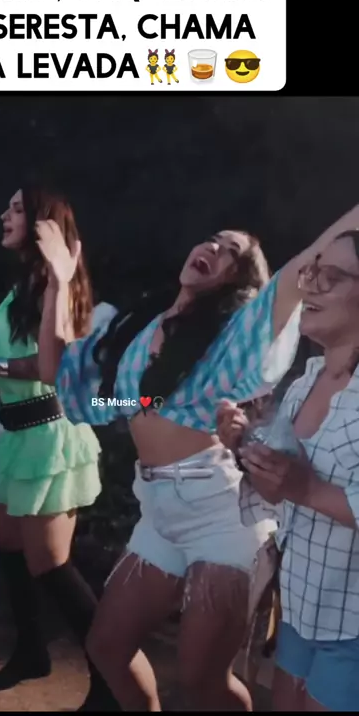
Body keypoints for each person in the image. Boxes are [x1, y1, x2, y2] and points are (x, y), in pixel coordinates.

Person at [35, 203, 359, 711]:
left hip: (219, 511)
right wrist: (59, 281)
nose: (214, 247)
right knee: (106, 646)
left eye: (232, 252)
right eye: (213, 238)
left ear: (240, 281)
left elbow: (306, 261)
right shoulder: (139, 327)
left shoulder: (236, 336)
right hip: (158, 508)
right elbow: (74, 382)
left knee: (201, 680)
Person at [0, 186, 121, 710]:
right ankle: (31, 653)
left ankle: (111, 680)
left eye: (16, 208)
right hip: (16, 434)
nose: (4, 215)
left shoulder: (61, 290)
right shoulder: (20, 291)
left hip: (49, 437)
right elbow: (5, 376)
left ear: (45, 224)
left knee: (51, 565)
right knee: (11, 548)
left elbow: (52, 370)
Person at [217, 228, 359, 713]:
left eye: (331, 276)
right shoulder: (305, 382)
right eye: (312, 272)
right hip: (301, 603)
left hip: (351, 624)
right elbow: (283, 491)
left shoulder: (266, 347)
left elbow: (303, 487)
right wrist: (245, 446)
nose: (311, 283)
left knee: (201, 673)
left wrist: (307, 489)